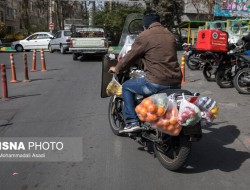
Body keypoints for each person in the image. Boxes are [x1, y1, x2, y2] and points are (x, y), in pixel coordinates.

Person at [109, 8, 182, 133]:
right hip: (176, 81)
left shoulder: (145, 36)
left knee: (127, 86)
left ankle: (132, 122)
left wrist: (117, 68)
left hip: (156, 83)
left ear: (146, 23)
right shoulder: (170, 35)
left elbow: (130, 57)